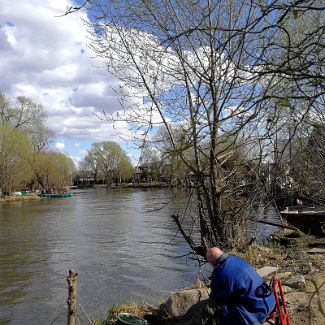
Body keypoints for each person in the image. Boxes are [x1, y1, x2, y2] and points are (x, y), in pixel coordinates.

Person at [206, 247, 276, 325]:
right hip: (269, 300)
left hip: (257, 311)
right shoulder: (235, 259)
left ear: (212, 262)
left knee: (222, 311)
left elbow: (217, 298)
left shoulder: (221, 273)